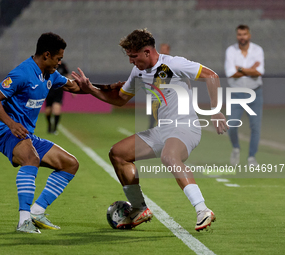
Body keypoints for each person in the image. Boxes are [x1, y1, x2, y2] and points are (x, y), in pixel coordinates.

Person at [72, 29, 228, 231]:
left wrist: (215, 110)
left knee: (169, 157)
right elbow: (119, 99)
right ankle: (138, 208)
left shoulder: (173, 64)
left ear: (147, 52)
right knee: (118, 154)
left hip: (184, 128)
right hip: (161, 130)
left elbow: (211, 75)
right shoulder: (138, 71)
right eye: (129, 57)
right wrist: (91, 90)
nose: (131, 61)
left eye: (134, 56)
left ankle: (202, 210)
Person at [0, 32, 85, 234]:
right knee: (31, 158)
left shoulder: (51, 75)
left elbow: (74, 87)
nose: (59, 63)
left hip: (26, 135)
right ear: (46, 55)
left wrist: (103, 88)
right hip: (6, 131)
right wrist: (11, 124)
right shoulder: (22, 73)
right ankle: (24, 221)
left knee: (70, 163)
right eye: (58, 58)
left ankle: (37, 212)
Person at [224, 24, 264, 167]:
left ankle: (251, 157)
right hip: (236, 93)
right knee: (232, 126)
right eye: (240, 34)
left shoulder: (258, 50)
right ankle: (236, 148)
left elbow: (258, 73)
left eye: (244, 34)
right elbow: (231, 74)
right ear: (237, 36)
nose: (242, 37)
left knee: (255, 127)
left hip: (255, 93)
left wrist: (240, 68)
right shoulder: (231, 51)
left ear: (249, 35)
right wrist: (250, 69)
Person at [45, 62, 72, 135]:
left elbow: (67, 76)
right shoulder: (49, 65)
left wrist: (72, 90)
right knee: (48, 111)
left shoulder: (63, 66)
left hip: (59, 91)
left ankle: (55, 128)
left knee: (56, 110)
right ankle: (49, 124)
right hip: (49, 91)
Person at [149, 43, 171, 129]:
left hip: (167, 94)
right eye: (162, 49)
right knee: (153, 115)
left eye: (165, 49)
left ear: (168, 51)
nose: (163, 51)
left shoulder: (172, 63)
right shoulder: (155, 62)